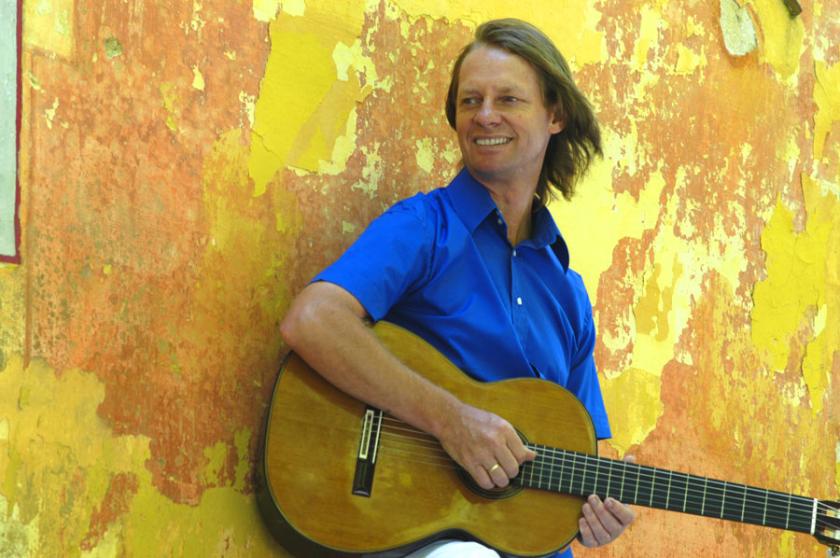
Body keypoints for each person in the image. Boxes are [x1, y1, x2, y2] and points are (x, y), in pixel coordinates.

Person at [280, 18, 635, 558]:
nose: (485, 115)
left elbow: (582, 463)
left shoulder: (569, 295)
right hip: (406, 532)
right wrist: (451, 421)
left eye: (508, 99)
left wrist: (596, 515)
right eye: (470, 101)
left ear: (555, 115)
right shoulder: (424, 228)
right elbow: (312, 320)